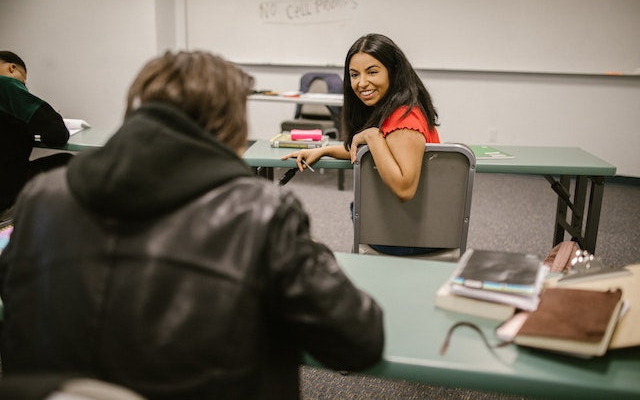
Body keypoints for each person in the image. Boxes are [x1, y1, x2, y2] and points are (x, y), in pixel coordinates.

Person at [0, 51, 384, 399]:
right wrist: (310, 252)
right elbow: (357, 340)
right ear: (230, 123)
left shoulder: (42, 196)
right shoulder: (262, 211)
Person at [282, 33, 441, 255]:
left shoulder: (405, 119)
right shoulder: (395, 110)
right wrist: (325, 150)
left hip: (403, 235)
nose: (362, 83)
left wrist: (372, 136)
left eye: (372, 71)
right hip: (406, 227)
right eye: (354, 75)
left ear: (393, 72)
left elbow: (404, 189)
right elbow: (384, 153)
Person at [0, 51, 72, 213]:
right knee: (68, 162)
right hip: (6, 188)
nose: (22, 88)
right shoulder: (5, 85)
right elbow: (58, 133)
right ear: (12, 69)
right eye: (22, 83)